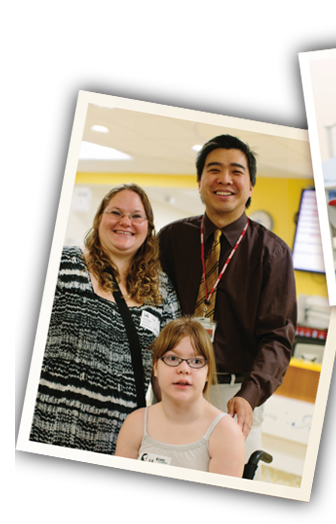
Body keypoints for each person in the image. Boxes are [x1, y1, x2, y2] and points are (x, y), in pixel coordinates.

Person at [158, 134, 297, 465]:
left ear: (250, 186)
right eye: (214, 169)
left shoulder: (272, 252)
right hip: (173, 382)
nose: (224, 179)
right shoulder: (172, 239)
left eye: (236, 171)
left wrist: (249, 396)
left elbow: (278, 336)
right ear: (199, 182)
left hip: (233, 393)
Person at [29, 183, 181, 455]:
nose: (126, 222)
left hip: (119, 440)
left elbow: (170, 362)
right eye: (116, 212)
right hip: (47, 427)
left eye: (136, 216)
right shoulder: (63, 266)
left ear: (148, 227)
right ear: (99, 218)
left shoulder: (161, 292)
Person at [115, 317, 246, 477]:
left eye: (196, 361)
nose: (184, 369)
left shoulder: (226, 433)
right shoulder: (135, 423)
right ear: (155, 367)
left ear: (207, 372)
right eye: (172, 358)